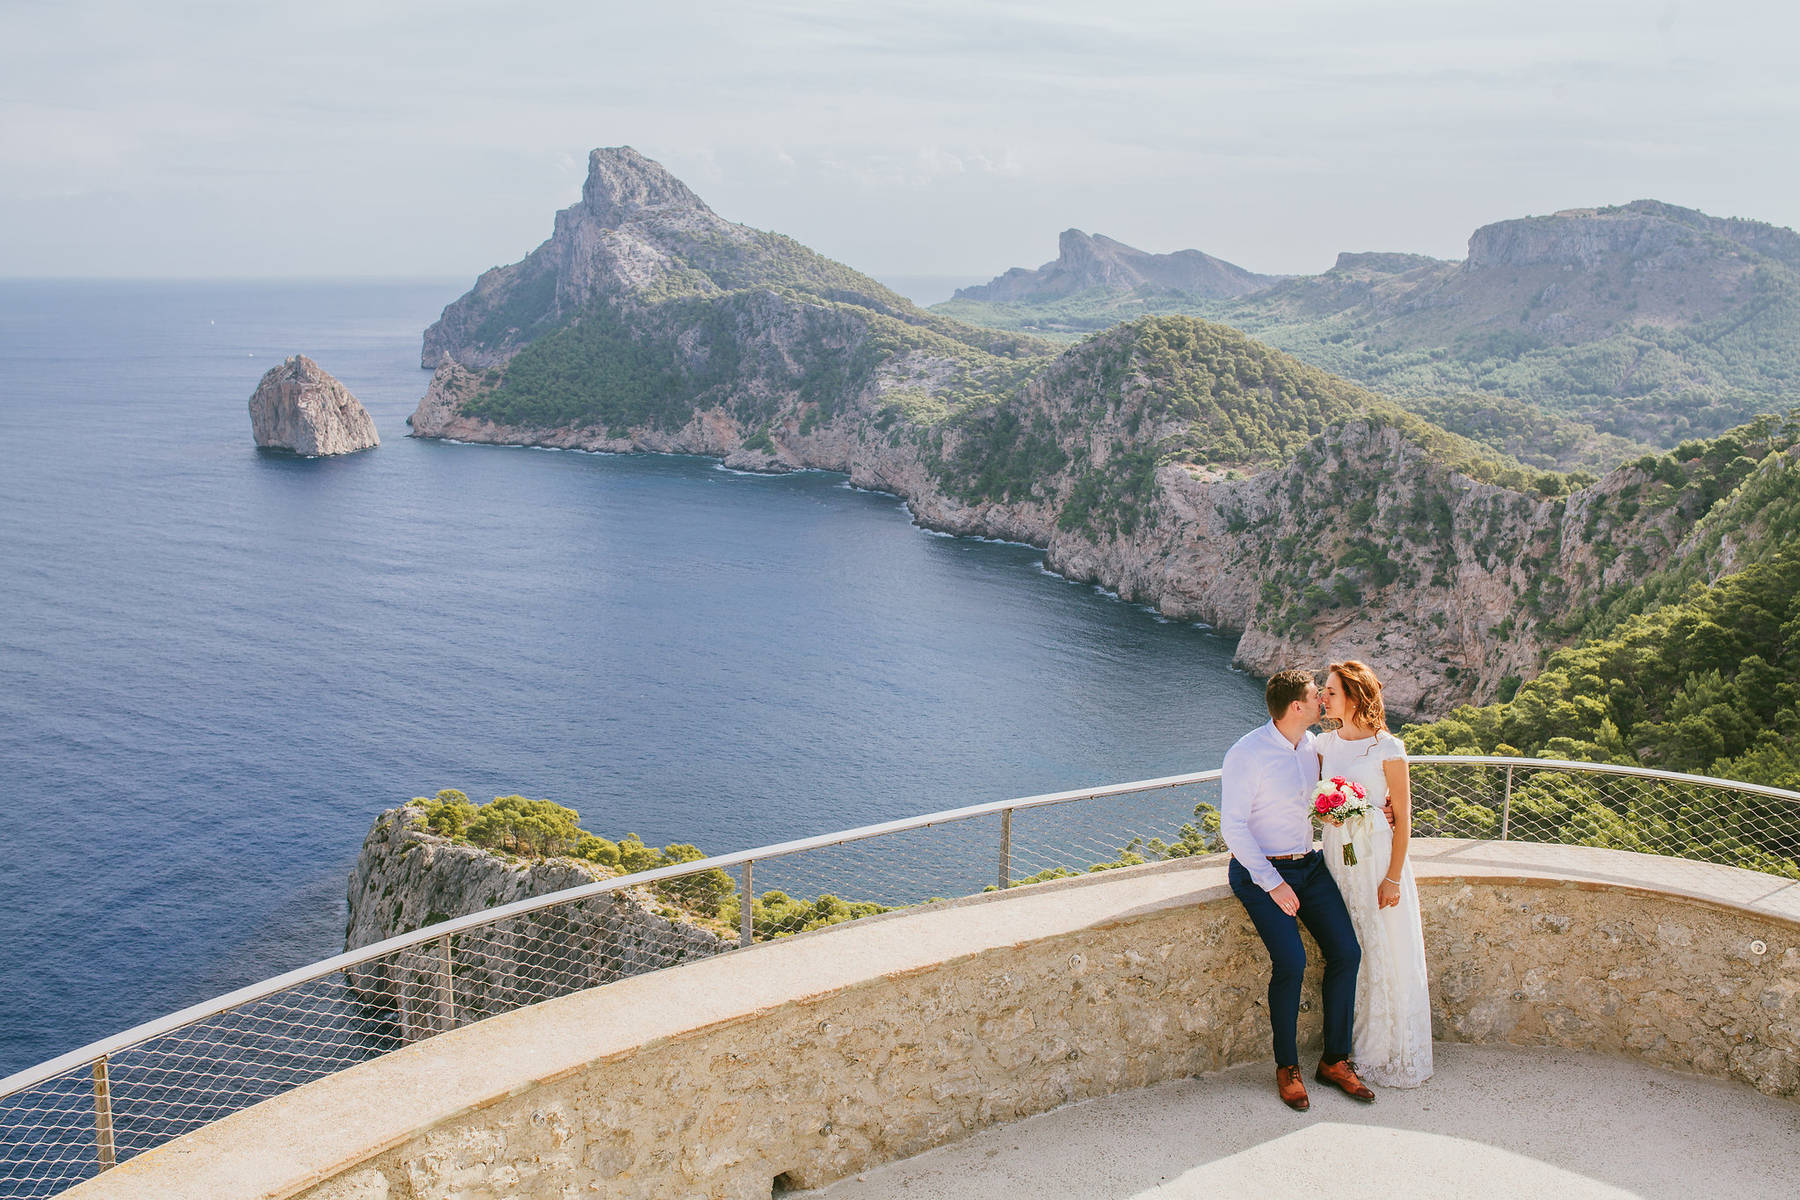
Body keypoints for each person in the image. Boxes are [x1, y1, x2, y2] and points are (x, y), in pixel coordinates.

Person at [1221, 668, 1374, 1111]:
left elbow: (1332, 788)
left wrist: (1366, 804)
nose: (1322, 700)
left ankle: (1335, 1060)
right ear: (1296, 707)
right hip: (1259, 872)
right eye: (1315, 695)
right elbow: (1232, 826)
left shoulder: (1311, 747)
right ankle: (1286, 1067)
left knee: (1347, 953)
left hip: (1309, 865)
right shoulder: (1246, 754)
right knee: (1291, 961)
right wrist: (1271, 884)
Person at [1316, 660, 1434, 1088]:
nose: (1321, 697)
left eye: (1329, 691)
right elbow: (1311, 796)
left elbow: (1403, 818)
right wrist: (1325, 816)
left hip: (1377, 858)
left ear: (1353, 696)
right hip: (1338, 856)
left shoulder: (1390, 749)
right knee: (1352, 949)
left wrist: (1393, 877)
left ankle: (1382, 1048)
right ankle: (1345, 1046)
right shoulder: (1323, 745)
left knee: (1384, 947)